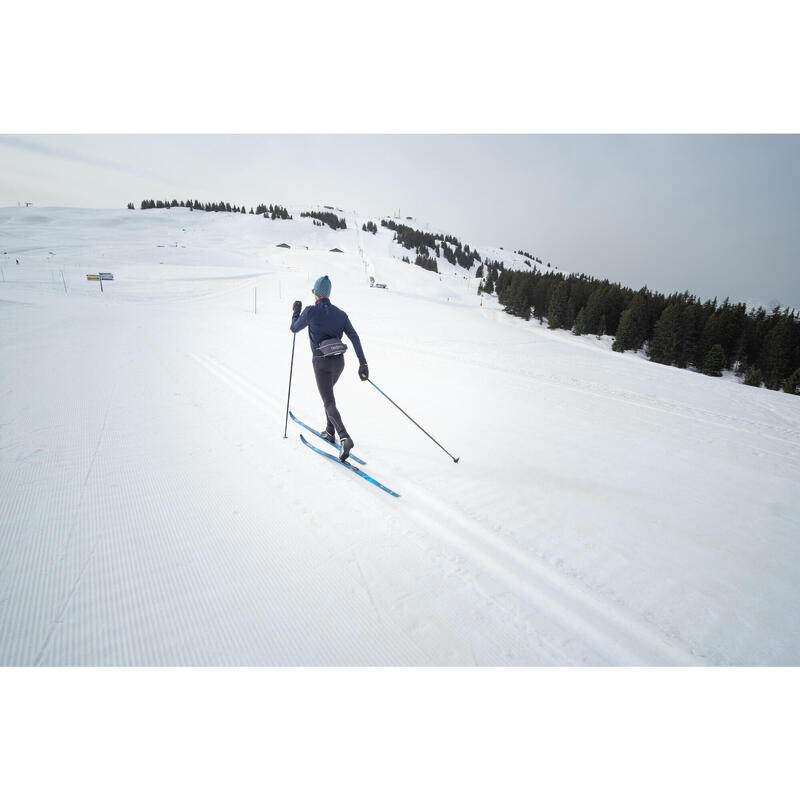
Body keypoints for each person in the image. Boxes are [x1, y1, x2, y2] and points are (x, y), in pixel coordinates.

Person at [291, 275, 368, 461]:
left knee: (328, 401)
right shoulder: (341, 314)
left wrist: (296, 311)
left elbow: (294, 328)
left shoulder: (310, 311)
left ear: (316, 294)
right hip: (339, 363)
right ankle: (329, 430)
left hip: (321, 363)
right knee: (329, 396)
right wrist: (362, 362)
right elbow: (354, 336)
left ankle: (344, 437)